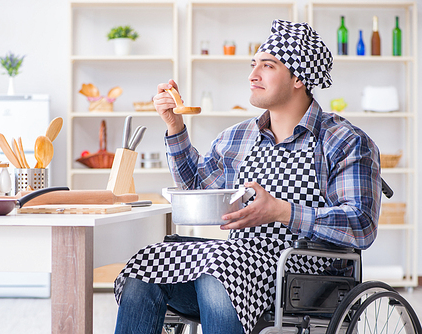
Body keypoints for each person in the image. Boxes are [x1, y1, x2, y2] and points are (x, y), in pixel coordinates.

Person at [113, 19, 382, 334]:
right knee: (148, 265)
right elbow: (197, 187)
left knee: (219, 266)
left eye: (267, 66)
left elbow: (361, 224)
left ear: (299, 78)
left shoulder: (344, 140)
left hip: (306, 274)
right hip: (238, 264)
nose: (253, 75)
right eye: (253, 64)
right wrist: (175, 127)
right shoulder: (237, 137)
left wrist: (281, 211)